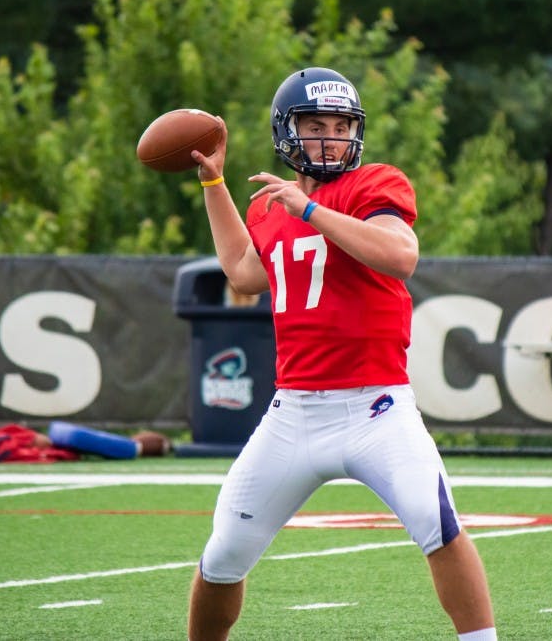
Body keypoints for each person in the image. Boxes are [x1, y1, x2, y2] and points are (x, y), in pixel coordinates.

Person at [187, 67, 497, 641]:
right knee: (225, 550)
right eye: (315, 125)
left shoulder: (373, 183)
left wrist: (309, 210)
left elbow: (400, 254)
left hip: (376, 406)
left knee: (437, 522)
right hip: (295, 410)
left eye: (340, 125)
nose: (329, 137)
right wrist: (216, 186)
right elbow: (243, 271)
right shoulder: (269, 206)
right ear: (288, 132)